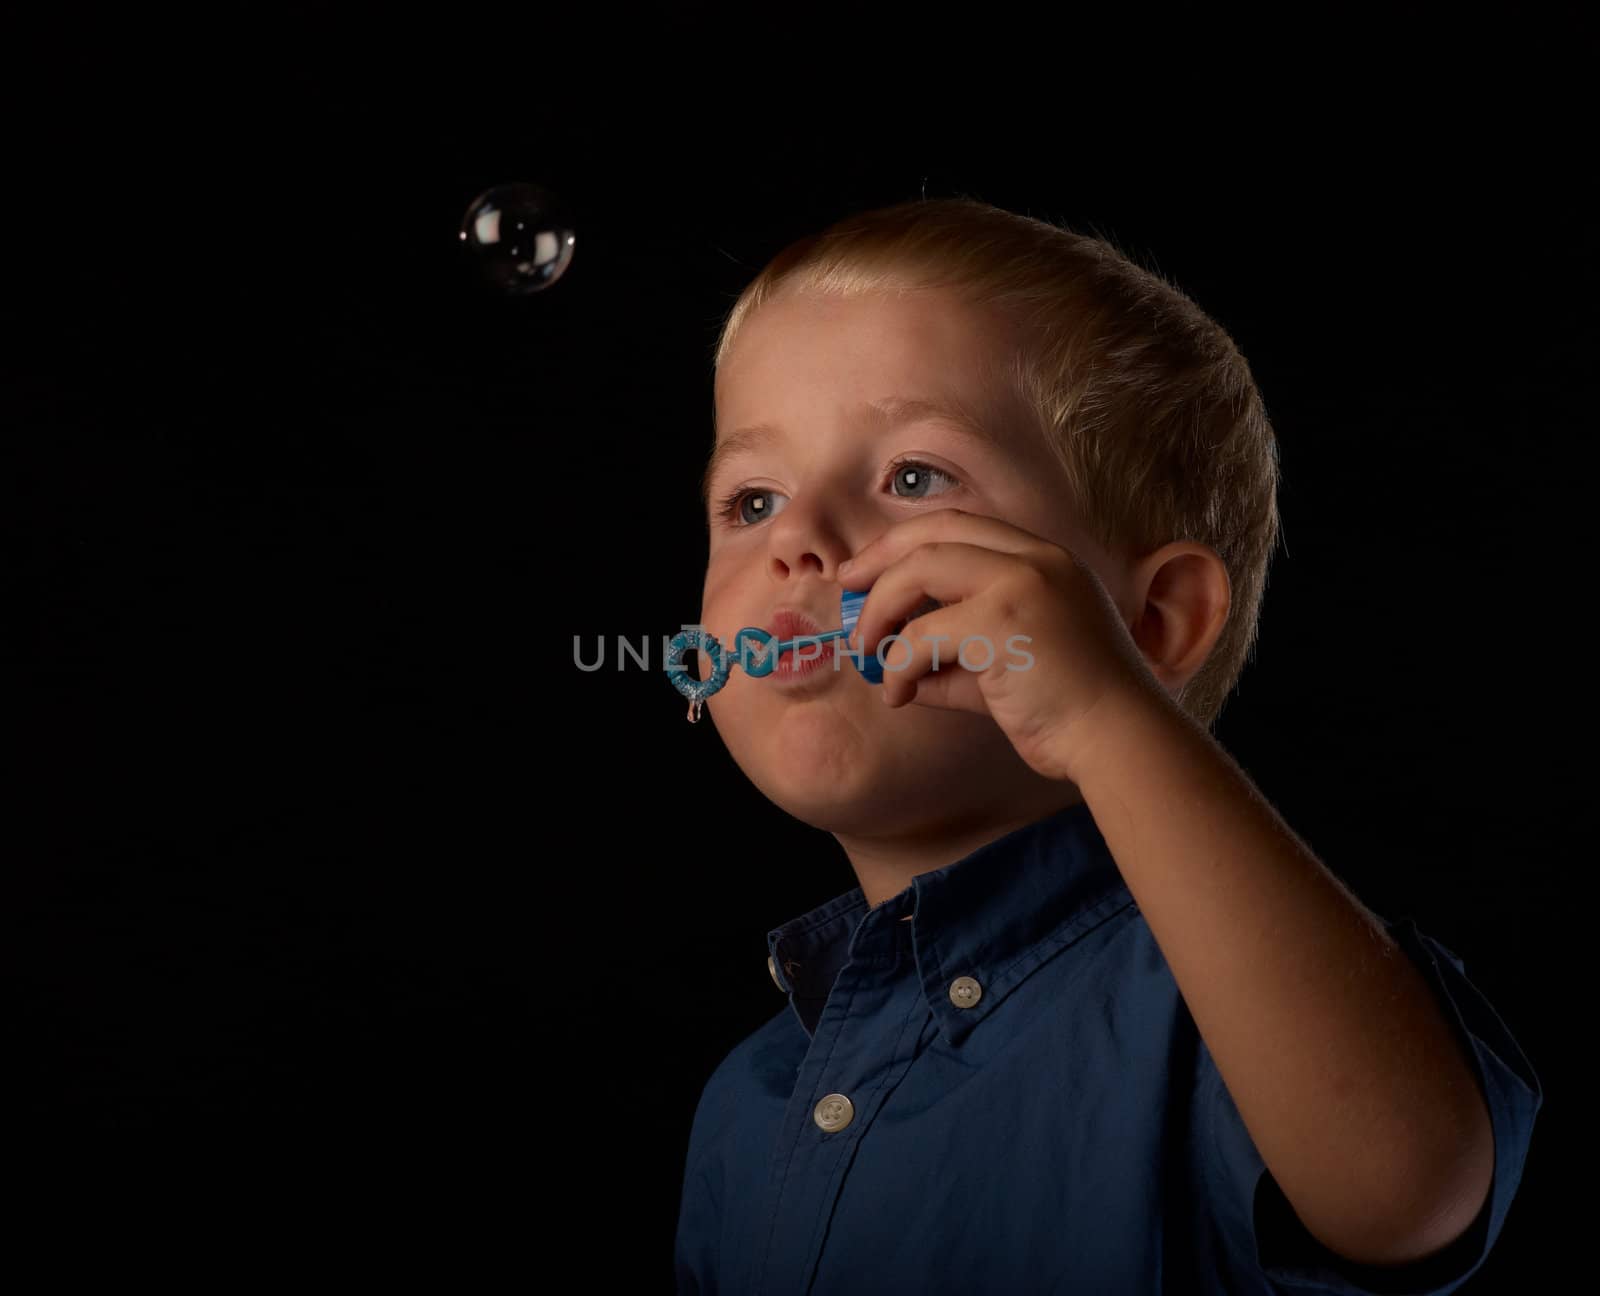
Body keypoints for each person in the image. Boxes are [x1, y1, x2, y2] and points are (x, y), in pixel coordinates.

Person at [672, 198, 1541, 1294]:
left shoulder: (1220, 1000)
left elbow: (1409, 1189)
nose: (795, 538)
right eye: (750, 499)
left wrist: (1101, 715)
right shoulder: (748, 1104)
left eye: (912, 478)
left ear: (1149, 626)